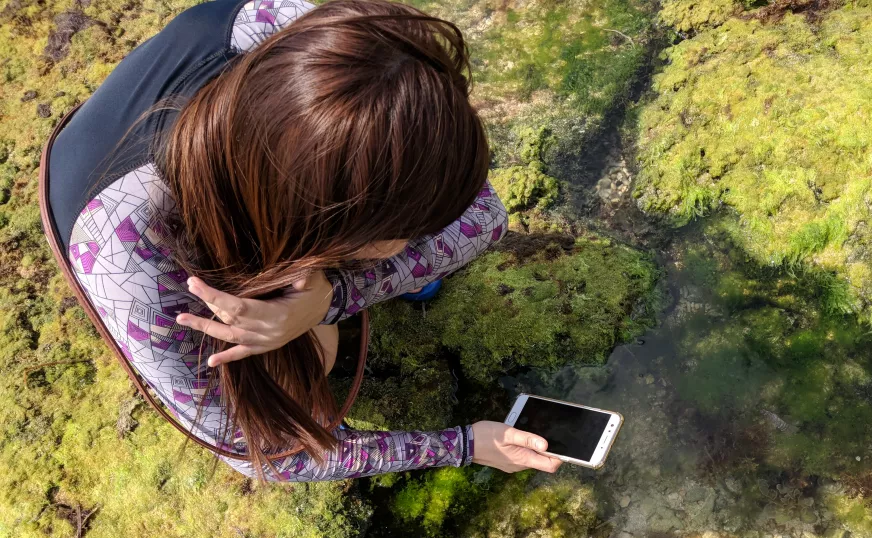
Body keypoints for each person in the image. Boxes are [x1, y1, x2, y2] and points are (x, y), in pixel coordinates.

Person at [46, 0, 562, 481]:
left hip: (246, 197)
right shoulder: (133, 261)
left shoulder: (329, 47)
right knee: (313, 370)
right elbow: (268, 454)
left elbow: (486, 216)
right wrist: (464, 445)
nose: (414, 242)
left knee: (334, 321)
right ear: (322, 232)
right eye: (402, 233)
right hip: (110, 219)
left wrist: (330, 298)